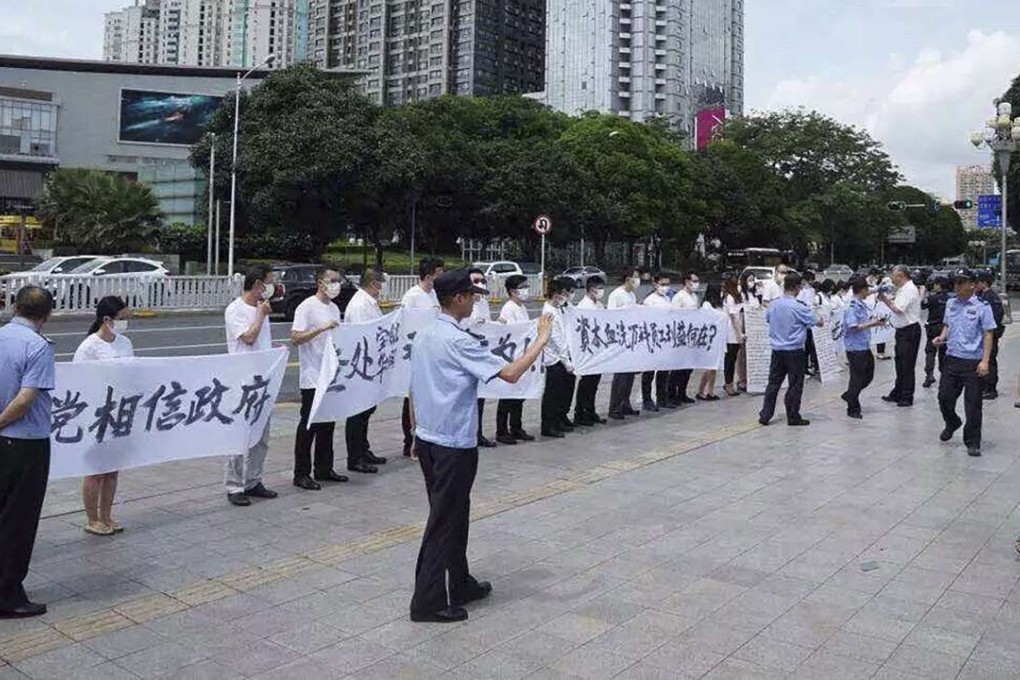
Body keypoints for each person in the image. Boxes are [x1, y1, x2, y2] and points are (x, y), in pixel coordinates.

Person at [407, 269, 553, 623]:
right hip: (452, 445)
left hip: (429, 438)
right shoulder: (459, 341)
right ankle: (426, 602)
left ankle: (459, 584)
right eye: (472, 296)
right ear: (457, 299)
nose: (475, 301)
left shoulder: (425, 335)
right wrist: (541, 339)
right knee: (444, 521)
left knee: (456, 516)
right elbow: (511, 373)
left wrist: (414, 432)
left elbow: (414, 387)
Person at [0, 286, 54, 619]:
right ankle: (7, 595)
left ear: (14, 306)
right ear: (46, 315)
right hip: (25, 442)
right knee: (18, 522)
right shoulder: (37, 347)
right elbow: (24, 400)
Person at [73, 296, 134, 535]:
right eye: (122, 318)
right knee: (95, 470)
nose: (125, 323)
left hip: (119, 412)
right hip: (96, 414)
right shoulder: (89, 347)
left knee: (112, 469)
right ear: (107, 319)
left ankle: (107, 515)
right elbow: (79, 381)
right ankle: (92, 519)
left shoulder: (125, 342)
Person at [223, 265, 279, 506]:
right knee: (239, 437)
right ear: (258, 284)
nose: (271, 287)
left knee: (261, 436)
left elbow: (262, 343)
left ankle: (254, 480)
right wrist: (261, 315)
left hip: (262, 381)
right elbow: (248, 338)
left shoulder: (260, 307)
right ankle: (234, 485)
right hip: (242, 382)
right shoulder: (235, 309)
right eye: (269, 282)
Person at [290, 268, 351, 490]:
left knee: (328, 422)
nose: (336, 284)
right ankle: (301, 473)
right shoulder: (306, 307)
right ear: (320, 282)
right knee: (309, 425)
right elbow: (295, 338)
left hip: (330, 375)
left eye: (338, 281)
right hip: (312, 376)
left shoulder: (334, 308)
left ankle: (324, 468)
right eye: (332, 281)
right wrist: (321, 328)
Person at [933, 269, 996, 457]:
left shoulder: (982, 306)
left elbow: (988, 334)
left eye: (961, 282)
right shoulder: (951, 303)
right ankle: (952, 422)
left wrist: (985, 361)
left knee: (973, 404)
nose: (957, 286)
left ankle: (972, 441)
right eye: (956, 282)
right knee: (944, 398)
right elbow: (947, 324)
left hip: (972, 362)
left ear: (972, 285)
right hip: (952, 359)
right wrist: (941, 337)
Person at [758, 272, 823, 427]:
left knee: (773, 383)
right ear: (797, 287)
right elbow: (818, 322)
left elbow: (768, 319)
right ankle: (793, 415)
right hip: (794, 351)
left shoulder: (774, 304)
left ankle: (765, 414)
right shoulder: (799, 306)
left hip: (777, 350)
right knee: (795, 384)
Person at [345, 269, 389, 472]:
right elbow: (365, 334)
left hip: (370, 365)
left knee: (366, 411)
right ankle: (355, 457)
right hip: (361, 366)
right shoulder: (361, 305)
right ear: (372, 283)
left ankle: (363, 449)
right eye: (381, 282)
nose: (382, 287)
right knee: (358, 413)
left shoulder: (368, 302)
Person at [400, 258, 444, 457]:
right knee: (412, 399)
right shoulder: (412, 296)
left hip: (432, 353)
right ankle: (410, 441)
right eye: (439, 274)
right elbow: (405, 323)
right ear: (429, 276)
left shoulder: (434, 294)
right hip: (416, 353)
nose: (441, 277)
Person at [495, 275, 535, 444]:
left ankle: (516, 427)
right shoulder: (508, 308)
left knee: (519, 394)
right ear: (512, 291)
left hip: (522, 357)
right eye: (522, 286)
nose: (526, 289)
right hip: (511, 358)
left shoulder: (522, 308)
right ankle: (501, 430)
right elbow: (510, 331)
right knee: (507, 396)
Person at [841, 277, 886, 419]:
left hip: (864, 346)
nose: (869, 292)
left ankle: (849, 395)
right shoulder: (852, 307)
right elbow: (853, 327)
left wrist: (879, 289)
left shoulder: (860, 303)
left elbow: (872, 291)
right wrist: (873, 324)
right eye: (867, 290)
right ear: (861, 290)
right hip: (855, 348)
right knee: (857, 378)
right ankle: (853, 408)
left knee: (868, 375)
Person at [878, 264, 922, 407]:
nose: (892, 277)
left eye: (894, 274)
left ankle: (906, 396)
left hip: (909, 330)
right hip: (903, 331)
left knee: (906, 364)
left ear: (901, 275)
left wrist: (884, 299)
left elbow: (898, 309)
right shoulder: (904, 289)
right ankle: (898, 391)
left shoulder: (908, 289)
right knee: (900, 363)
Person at [540, 277, 576, 438]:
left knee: (562, 391)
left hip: (563, 356)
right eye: (563, 294)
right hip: (553, 358)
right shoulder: (548, 312)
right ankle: (548, 425)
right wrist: (565, 360)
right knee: (552, 394)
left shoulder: (559, 309)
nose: (565, 297)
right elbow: (555, 338)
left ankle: (559, 419)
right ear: (555, 294)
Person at [466, 268, 497, 448]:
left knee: (481, 398)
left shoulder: (483, 303)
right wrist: (471, 323)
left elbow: (489, 328)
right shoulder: (462, 300)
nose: (480, 284)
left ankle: (478, 433)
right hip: (466, 356)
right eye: (476, 280)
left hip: (481, 353)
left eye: (482, 281)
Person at [573, 276, 607, 426]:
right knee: (586, 383)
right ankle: (580, 413)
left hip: (598, 349)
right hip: (587, 350)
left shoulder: (599, 305)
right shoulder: (583, 306)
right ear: (591, 289)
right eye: (599, 289)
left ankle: (590, 410)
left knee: (594, 382)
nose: (601, 292)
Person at [607, 268, 641, 420]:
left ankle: (625, 404)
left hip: (631, 339)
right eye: (636, 277)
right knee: (620, 375)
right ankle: (615, 407)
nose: (637, 280)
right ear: (628, 278)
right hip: (620, 339)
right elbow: (611, 316)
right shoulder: (616, 295)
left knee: (629, 375)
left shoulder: (632, 295)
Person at [640, 272, 675, 412]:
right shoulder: (650, 300)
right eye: (662, 284)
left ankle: (662, 398)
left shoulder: (667, 299)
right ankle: (647, 400)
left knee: (663, 370)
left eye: (667, 284)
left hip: (665, 338)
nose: (665, 287)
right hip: (652, 340)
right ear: (655, 284)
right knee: (649, 372)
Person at [669, 271, 700, 405]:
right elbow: (674, 316)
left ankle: (682, 392)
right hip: (681, 336)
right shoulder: (679, 297)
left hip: (691, 336)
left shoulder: (694, 296)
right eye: (694, 280)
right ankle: (672, 393)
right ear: (687, 282)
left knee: (688, 367)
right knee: (678, 368)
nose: (696, 283)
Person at [975, 270, 1005, 400]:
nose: (976, 285)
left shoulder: (987, 298)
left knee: (989, 360)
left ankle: (990, 388)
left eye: (978, 282)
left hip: (989, 334)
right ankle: (987, 387)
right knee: (990, 359)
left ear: (984, 283)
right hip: (992, 334)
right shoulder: (992, 296)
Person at [697, 283, 725, 400]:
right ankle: (706, 391)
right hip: (710, 338)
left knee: (713, 367)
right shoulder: (707, 304)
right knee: (711, 366)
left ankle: (705, 390)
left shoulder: (719, 304)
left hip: (718, 337)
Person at [921, 276, 950, 389]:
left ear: (939, 285)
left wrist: (923, 293)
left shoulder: (932, 298)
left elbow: (922, 305)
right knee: (944, 353)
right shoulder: (950, 299)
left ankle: (929, 375)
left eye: (935, 284)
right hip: (945, 329)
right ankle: (944, 376)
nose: (934, 286)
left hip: (932, 328)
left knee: (930, 352)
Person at [798, 270, 819, 376]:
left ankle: (810, 366)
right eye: (809, 280)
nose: (810, 282)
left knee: (810, 345)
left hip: (810, 320)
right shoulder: (800, 291)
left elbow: (812, 303)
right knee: (804, 346)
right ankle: (803, 367)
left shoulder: (811, 290)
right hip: (803, 321)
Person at [868, 268, 891, 360]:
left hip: (877, 311)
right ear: (873, 275)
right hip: (867, 312)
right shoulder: (864, 284)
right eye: (876, 277)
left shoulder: (874, 285)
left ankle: (880, 352)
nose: (877, 279)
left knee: (880, 329)